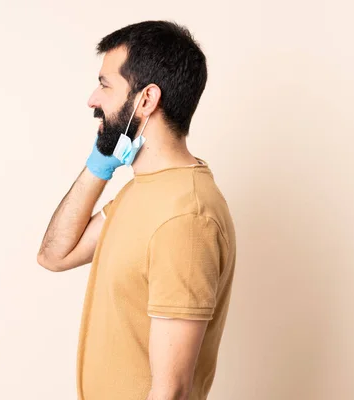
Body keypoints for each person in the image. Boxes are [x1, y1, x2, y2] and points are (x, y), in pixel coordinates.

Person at [37, 20, 236, 400]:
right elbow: (54, 255)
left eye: (105, 84)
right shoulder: (142, 192)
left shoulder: (185, 217)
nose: (93, 99)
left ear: (145, 100)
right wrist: (99, 166)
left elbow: (172, 390)